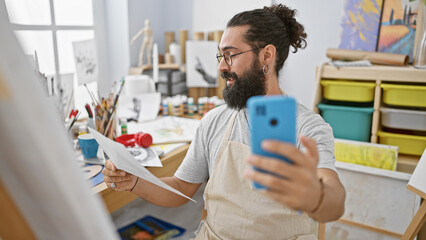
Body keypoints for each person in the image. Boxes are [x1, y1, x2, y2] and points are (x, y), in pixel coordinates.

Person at [104, 4, 345, 239]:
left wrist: (316, 197)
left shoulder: (308, 128)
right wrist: (133, 180)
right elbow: (180, 188)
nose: (221, 66)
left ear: (266, 55)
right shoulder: (214, 120)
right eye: (221, 56)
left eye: (230, 55)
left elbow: (334, 201)